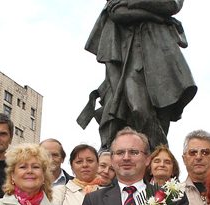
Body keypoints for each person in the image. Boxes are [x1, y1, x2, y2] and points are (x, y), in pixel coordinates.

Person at [77, 0, 197, 150]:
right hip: (127, 54)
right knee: (136, 106)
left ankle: (158, 161)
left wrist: (130, 2)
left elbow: (171, 4)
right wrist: (157, 17)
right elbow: (118, 12)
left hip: (161, 52)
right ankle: (159, 155)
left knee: (162, 110)